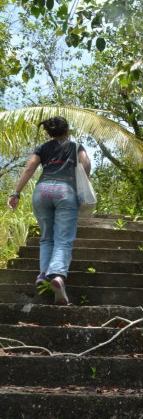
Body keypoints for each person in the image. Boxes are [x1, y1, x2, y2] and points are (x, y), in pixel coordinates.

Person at [7, 116, 91, 306]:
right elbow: (85, 163)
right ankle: (58, 275)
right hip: (65, 191)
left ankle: (44, 274)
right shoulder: (75, 146)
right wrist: (82, 185)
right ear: (67, 131)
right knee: (63, 238)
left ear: (49, 133)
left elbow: (29, 168)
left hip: (42, 191)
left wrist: (16, 193)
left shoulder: (43, 148)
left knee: (47, 237)